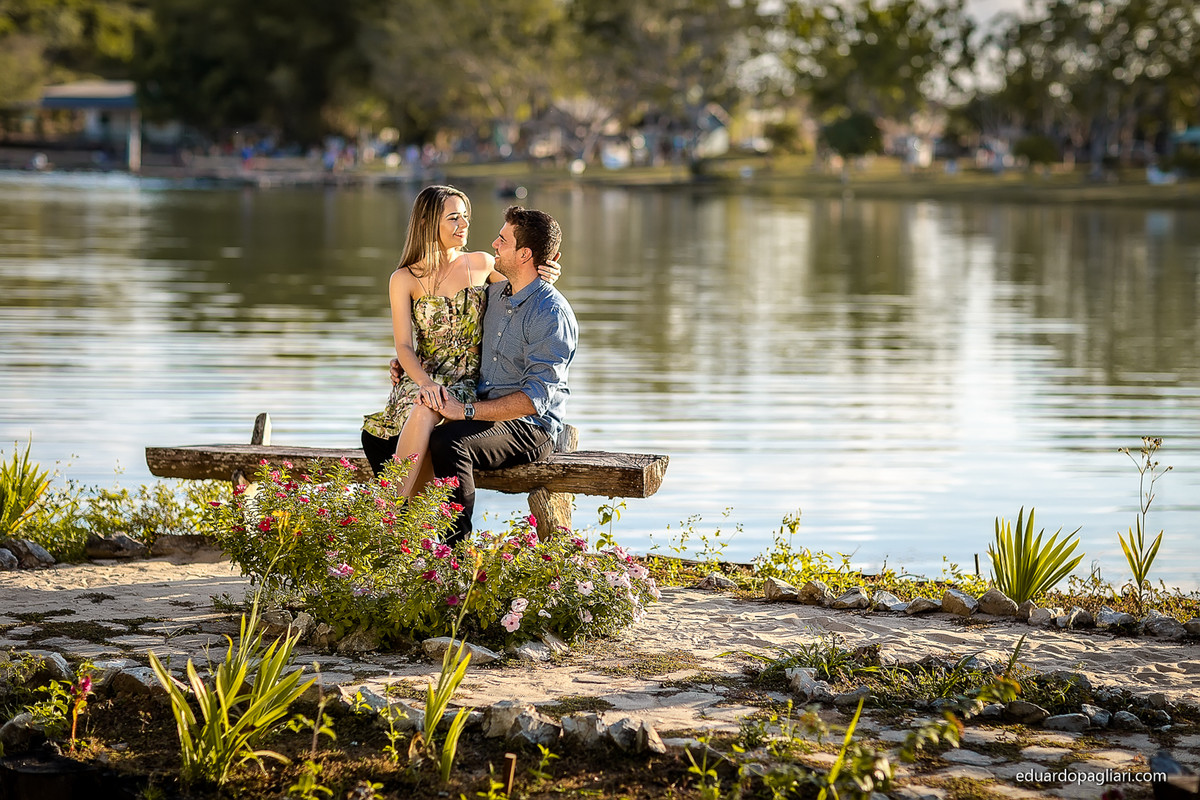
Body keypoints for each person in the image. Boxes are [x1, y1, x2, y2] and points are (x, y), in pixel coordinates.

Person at [361, 186, 560, 496]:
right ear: (428, 222)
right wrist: (424, 382)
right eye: (454, 218)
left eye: (466, 216)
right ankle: (401, 523)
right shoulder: (403, 278)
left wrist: (547, 274)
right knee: (426, 404)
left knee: (430, 411)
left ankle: (387, 515)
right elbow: (404, 346)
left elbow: (524, 286)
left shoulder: (482, 264)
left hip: (468, 385)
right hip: (422, 378)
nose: (464, 225)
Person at [401, 205, 577, 544]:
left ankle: (455, 552)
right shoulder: (495, 293)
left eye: (503, 240)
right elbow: (453, 334)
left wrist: (464, 411)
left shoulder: (551, 314)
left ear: (524, 254)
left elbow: (534, 400)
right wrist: (410, 366)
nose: (494, 244)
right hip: (485, 414)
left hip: (530, 429)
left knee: (449, 441)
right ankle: (408, 537)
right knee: (410, 426)